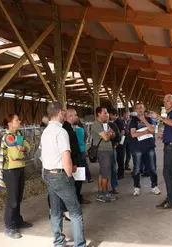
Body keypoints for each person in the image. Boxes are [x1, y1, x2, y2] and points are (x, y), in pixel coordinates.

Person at [41, 102, 86, 247]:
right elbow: (66, 156)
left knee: (55, 210)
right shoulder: (61, 132)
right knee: (75, 211)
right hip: (60, 175)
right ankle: (79, 244)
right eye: (64, 113)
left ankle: (59, 241)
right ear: (60, 112)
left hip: (48, 173)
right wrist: (69, 174)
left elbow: (42, 155)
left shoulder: (45, 131)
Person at [0, 113, 32, 239]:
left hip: (19, 168)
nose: (19, 121)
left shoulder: (18, 135)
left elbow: (28, 146)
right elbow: (15, 156)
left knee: (18, 197)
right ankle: (9, 226)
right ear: (10, 123)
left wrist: (23, 149)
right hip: (11, 171)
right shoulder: (8, 137)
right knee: (12, 199)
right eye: (17, 120)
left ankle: (18, 220)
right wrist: (22, 151)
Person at [150, 94, 172, 209]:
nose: (165, 103)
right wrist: (164, 134)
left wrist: (159, 117)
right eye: (164, 101)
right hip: (171, 145)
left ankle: (171, 200)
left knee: (167, 174)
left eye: (167, 101)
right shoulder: (171, 113)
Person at [129, 103, 161, 196]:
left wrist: (144, 121)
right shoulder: (133, 121)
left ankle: (154, 186)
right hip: (137, 148)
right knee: (137, 168)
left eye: (141, 108)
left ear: (144, 109)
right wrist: (145, 131)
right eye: (137, 108)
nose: (139, 109)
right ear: (135, 110)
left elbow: (153, 130)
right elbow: (133, 134)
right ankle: (136, 187)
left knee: (152, 168)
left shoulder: (149, 119)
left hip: (149, 147)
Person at [63, 109, 91, 204]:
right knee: (76, 181)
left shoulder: (69, 127)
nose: (77, 117)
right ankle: (76, 199)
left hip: (75, 158)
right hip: (73, 160)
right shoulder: (66, 129)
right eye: (75, 115)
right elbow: (71, 147)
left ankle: (78, 197)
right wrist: (74, 162)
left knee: (78, 179)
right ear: (70, 117)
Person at [91, 106, 117, 203]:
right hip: (103, 152)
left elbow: (113, 134)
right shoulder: (96, 125)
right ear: (98, 114)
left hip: (107, 151)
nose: (107, 114)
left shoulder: (105, 124)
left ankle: (101, 192)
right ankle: (104, 194)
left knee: (103, 173)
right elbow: (106, 138)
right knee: (105, 174)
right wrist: (109, 134)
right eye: (105, 113)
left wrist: (109, 134)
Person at [109, 109, 126, 180]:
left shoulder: (119, 121)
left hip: (120, 143)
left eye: (110, 115)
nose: (110, 116)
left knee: (120, 159)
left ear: (115, 115)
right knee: (119, 159)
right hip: (118, 142)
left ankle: (121, 174)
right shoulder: (116, 121)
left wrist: (118, 142)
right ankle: (119, 172)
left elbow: (122, 132)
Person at [108, 111, 121, 194]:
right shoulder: (98, 126)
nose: (106, 115)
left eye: (107, 113)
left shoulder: (113, 125)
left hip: (112, 149)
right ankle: (103, 188)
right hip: (101, 151)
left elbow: (118, 137)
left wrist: (115, 146)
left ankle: (114, 187)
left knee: (113, 168)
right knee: (103, 170)